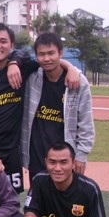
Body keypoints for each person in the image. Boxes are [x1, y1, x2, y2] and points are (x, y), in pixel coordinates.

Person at [0, 23, 79, 193]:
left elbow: (49, 60)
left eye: (3, 41)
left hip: (11, 152)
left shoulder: (23, 69)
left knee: (10, 201)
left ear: (11, 45)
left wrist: (71, 68)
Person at [21, 32, 95, 180]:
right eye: (41, 54)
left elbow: (85, 122)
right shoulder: (31, 78)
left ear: (60, 53)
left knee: (65, 194)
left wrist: (81, 155)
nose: (46, 58)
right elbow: (11, 58)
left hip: (65, 157)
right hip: (37, 156)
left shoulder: (79, 83)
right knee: (38, 193)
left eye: (51, 53)